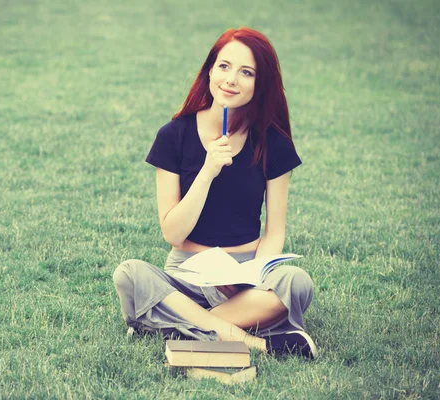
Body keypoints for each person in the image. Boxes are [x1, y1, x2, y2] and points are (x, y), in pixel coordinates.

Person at [112, 27, 317, 359]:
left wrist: (250, 278)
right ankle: (258, 343)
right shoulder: (173, 136)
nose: (231, 79)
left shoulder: (272, 142)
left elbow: (275, 231)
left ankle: (177, 327)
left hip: (244, 279)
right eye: (224, 66)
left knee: (296, 283)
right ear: (210, 69)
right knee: (130, 275)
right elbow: (173, 233)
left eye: (246, 72)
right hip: (186, 273)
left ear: (260, 83)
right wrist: (208, 171)